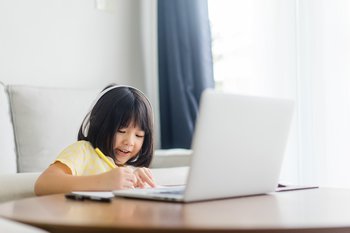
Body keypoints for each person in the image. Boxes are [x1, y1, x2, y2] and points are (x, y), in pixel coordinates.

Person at [34, 84, 156, 196]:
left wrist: (133, 181)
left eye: (139, 135)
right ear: (100, 124)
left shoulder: (126, 168)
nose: (129, 142)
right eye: (121, 131)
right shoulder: (83, 150)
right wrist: (103, 182)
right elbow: (43, 184)